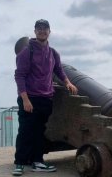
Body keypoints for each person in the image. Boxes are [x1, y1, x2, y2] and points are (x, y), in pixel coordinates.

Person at [12, 19, 78, 176]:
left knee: (40, 132)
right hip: (30, 98)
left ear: (50, 31)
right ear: (34, 31)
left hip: (46, 98)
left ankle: (37, 162)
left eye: (45, 28)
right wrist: (25, 100)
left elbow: (59, 70)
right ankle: (19, 163)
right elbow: (19, 76)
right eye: (39, 28)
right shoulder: (27, 52)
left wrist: (68, 82)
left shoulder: (53, 53)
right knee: (26, 131)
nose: (42, 31)